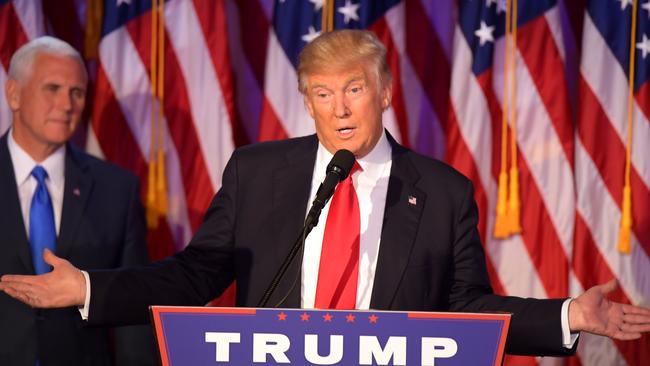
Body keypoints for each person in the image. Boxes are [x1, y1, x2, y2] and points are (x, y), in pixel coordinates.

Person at [2, 30, 649, 357]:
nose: (339, 110)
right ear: (306, 100)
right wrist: (91, 289)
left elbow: (467, 306)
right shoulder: (259, 174)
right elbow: (195, 275)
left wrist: (570, 316)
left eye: (354, 90)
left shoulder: (443, 192)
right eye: (322, 93)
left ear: (385, 92)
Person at [0, 37, 157, 365]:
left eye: (77, 92)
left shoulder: (117, 189)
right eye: (52, 88)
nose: (67, 104)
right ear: (14, 94)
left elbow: (132, 307)